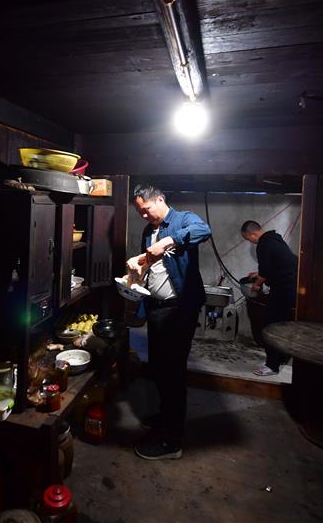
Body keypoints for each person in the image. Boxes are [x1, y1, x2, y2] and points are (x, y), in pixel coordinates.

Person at [126, 184, 211, 460]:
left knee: (173, 374)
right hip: (156, 309)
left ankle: (172, 441)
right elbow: (152, 268)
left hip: (178, 310)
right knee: (159, 369)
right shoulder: (147, 231)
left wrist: (168, 241)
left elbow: (203, 230)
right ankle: (165, 417)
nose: (143, 215)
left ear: (160, 199)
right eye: (139, 212)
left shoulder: (183, 219)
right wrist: (137, 270)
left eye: (146, 209)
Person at [241, 220, 297, 376]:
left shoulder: (263, 245)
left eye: (248, 239)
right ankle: (282, 358)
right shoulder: (276, 240)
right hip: (290, 289)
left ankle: (272, 366)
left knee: (269, 327)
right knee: (281, 326)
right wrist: (258, 274)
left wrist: (256, 285)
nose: (250, 242)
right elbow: (276, 264)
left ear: (252, 234)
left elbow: (265, 271)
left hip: (281, 291)